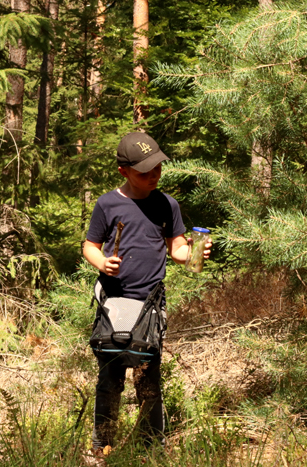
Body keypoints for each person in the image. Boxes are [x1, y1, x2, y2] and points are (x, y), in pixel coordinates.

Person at [81, 132, 211, 460]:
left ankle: (151, 448)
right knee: (110, 378)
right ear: (124, 171)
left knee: (148, 378)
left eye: (157, 169)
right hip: (114, 303)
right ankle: (102, 446)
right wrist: (103, 263)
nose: (153, 176)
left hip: (150, 306)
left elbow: (176, 246)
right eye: (145, 172)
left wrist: (193, 253)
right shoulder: (107, 204)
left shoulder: (166, 204)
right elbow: (89, 246)